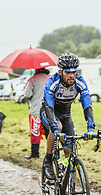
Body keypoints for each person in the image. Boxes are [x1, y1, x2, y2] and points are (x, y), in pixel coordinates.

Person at [40, 52, 96, 184]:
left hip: (66, 115)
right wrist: (54, 127)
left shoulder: (80, 82)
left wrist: (91, 128)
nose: (71, 75)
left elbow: (87, 106)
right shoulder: (52, 82)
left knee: (71, 154)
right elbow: (48, 107)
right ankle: (48, 160)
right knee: (57, 127)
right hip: (49, 113)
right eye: (67, 72)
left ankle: (72, 193)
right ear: (60, 71)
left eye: (74, 72)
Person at [24, 68, 50, 159]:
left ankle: (35, 154)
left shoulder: (32, 79)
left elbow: (27, 94)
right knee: (49, 132)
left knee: (35, 132)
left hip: (36, 110)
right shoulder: (50, 78)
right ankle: (51, 154)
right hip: (49, 110)